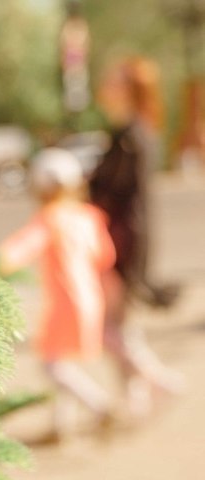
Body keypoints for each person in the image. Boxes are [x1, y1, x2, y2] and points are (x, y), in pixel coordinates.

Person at [0, 148, 115, 439]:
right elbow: (105, 255)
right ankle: (62, 425)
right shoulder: (88, 216)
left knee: (53, 365)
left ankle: (99, 403)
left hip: (65, 301)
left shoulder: (50, 218)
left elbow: (23, 248)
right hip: (90, 297)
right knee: (64, 360)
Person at [91, 56, 185, 416]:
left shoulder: (133, 136)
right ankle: (137, 397)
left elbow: (127, 202)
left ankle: (159, 379)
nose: (105, 85)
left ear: (128, 89)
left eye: (113, 80)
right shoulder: (131, 132)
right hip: (120, 241)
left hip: (119, 244)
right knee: (119, 326)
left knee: (107, 329)